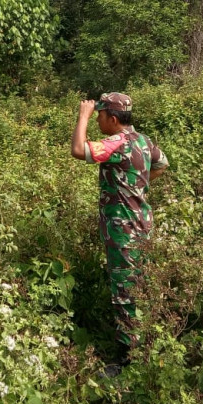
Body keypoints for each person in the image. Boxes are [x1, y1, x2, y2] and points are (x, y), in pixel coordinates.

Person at [70, 92, 169, 358]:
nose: (97, 120)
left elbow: (79, 150)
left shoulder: (117, 143)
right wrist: (136, 185)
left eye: (99, 116)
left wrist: (82, 116)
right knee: (139, 281)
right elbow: (162, 163)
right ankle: (147, 335)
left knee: (125, 289)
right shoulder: (143, 140)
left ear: (113, 119)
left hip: (123, 229)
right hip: (141, 223)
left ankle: (129, 356)